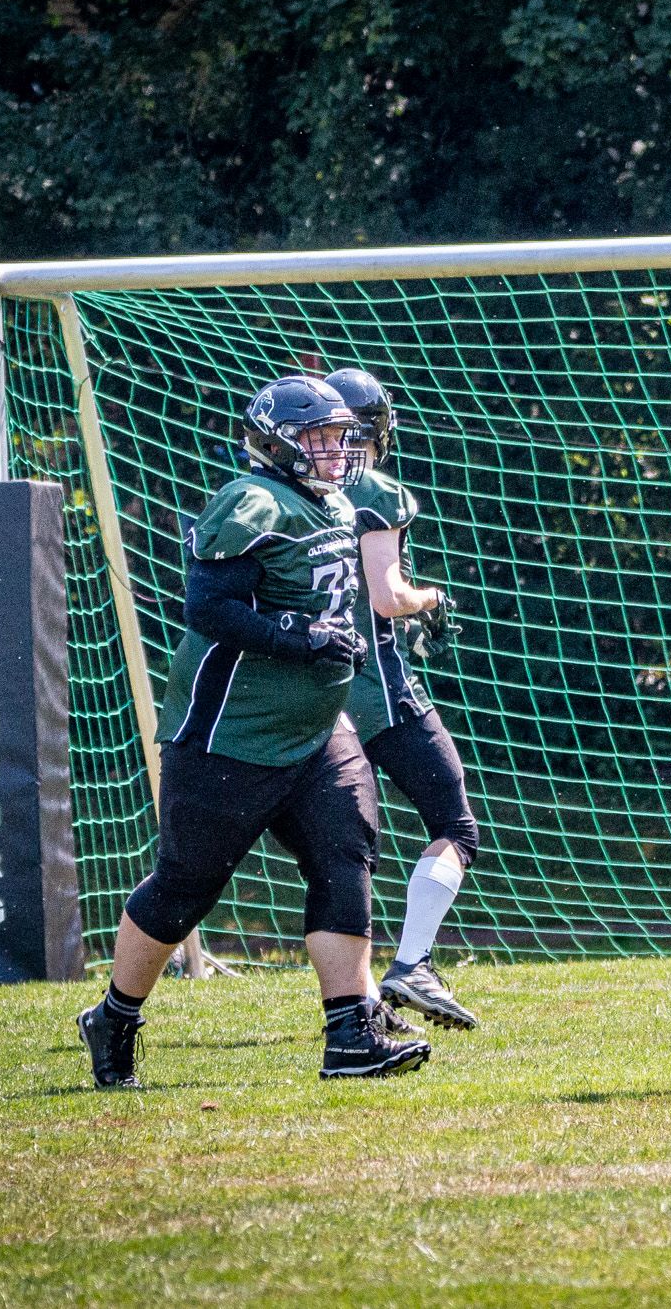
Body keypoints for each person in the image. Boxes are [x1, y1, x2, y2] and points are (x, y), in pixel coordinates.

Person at [75, 375, 431, 1088]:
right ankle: (114, 1016)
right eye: (320, 437)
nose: (337, 449)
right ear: (277, 443)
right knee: (186, 886)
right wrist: (298, 637)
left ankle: (350, 1036)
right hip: (231, 736)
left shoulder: (333, 502)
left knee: (345, 853)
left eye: (340, 435)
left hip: (317, 729)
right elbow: (208, 607)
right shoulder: (252, 501)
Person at [321, 367, 480, 1031]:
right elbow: (387, 597)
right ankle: (411, 963)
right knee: (455, 824)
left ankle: (122, 999)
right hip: (379, 690)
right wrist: (432, 598)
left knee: (334, 854)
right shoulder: (376, 491)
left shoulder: (297, 491)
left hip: (313, 694)